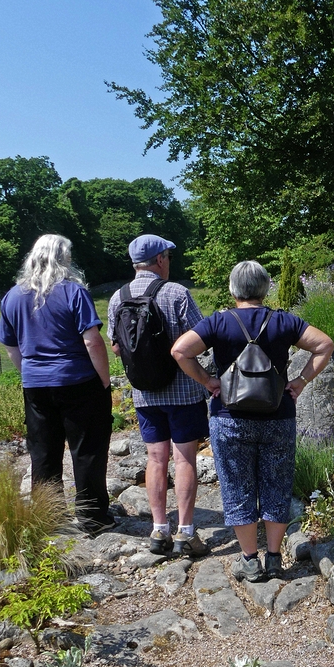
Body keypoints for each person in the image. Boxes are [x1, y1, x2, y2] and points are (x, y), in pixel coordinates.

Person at [171, 260, 334, 582]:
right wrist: (300, 381)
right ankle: (274, 558)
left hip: (229, 418)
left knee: (236, 488)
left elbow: (180, 351)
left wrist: (208, 382)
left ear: (233, 290)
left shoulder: (218, 322)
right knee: (277, 485)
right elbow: (324, 344)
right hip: (278, 416)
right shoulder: (283, 321)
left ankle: (249, 560)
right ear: (264, 288)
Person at [0, 234, 114, 536]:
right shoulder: (74, 292)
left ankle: (49, 517)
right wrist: (104, 379)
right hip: (78, 380)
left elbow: (11, 347)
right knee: (87, 449)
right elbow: (92, 340)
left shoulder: (12, 296)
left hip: (35, 384)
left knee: (43, 451)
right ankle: (92, 517)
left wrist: (31, 372)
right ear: (64, 258)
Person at [107, 234, 209, 557]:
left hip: (144, 395)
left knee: (155, 459)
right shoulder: (177, 293)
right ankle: (186, 533)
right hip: (183, 392)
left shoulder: (116, 298)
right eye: (168, 255)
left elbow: (115, 346)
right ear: (161, 260)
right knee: (183, 459)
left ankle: (158, 529)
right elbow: (202, 338)